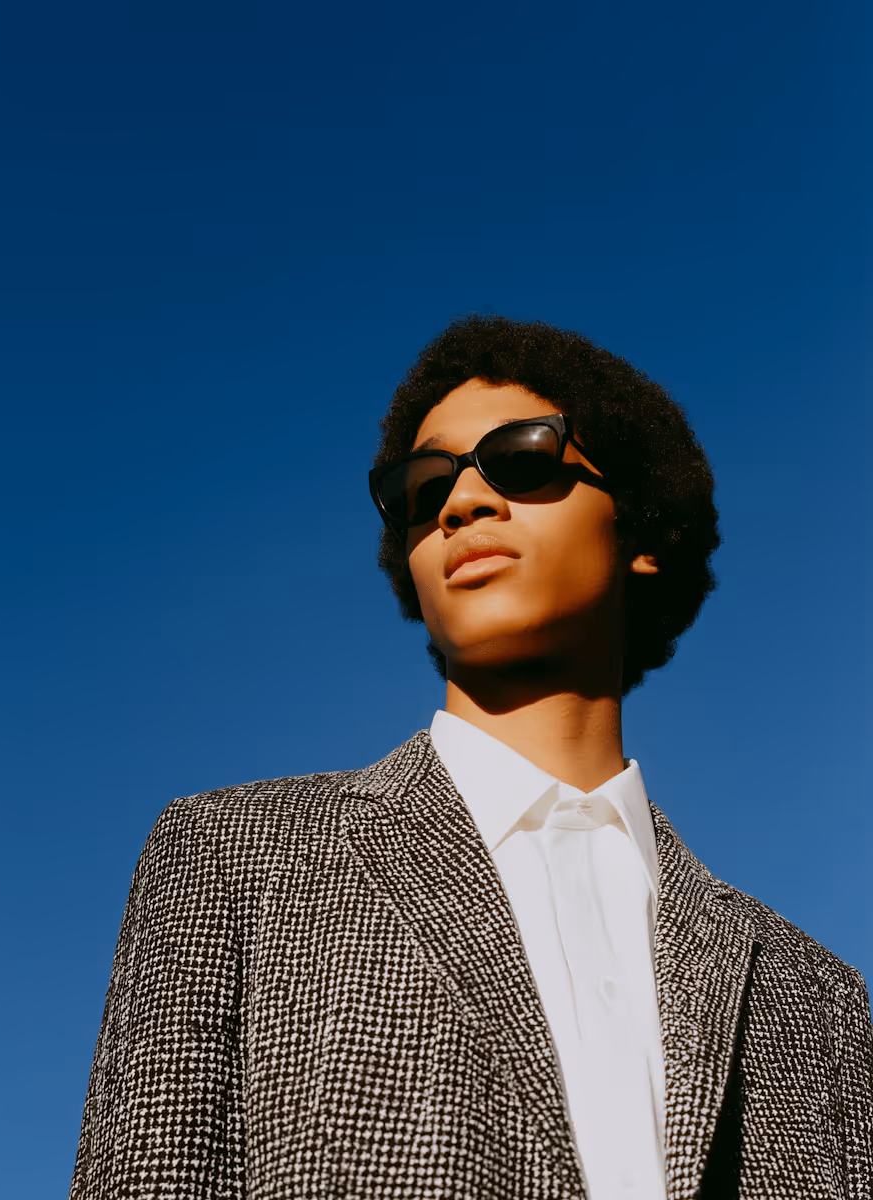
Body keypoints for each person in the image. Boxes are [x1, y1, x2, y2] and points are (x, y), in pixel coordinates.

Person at [70, 315, 872, 1200]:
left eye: (523, 458)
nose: (461, 503)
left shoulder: (819, 998)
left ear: (643, 533)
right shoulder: (231, 857)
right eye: (422, 489)